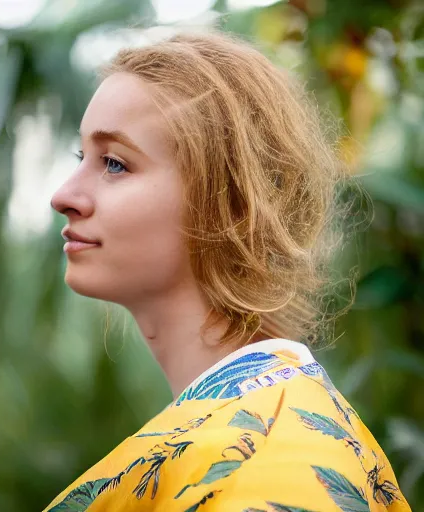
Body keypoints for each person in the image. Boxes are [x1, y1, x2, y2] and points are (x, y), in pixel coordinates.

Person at [46, 31, 410, 511]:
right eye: (82, 158)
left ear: (231, 203)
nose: (63, 196)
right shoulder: (257, 433)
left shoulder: (272, 464)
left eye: (114, 163)